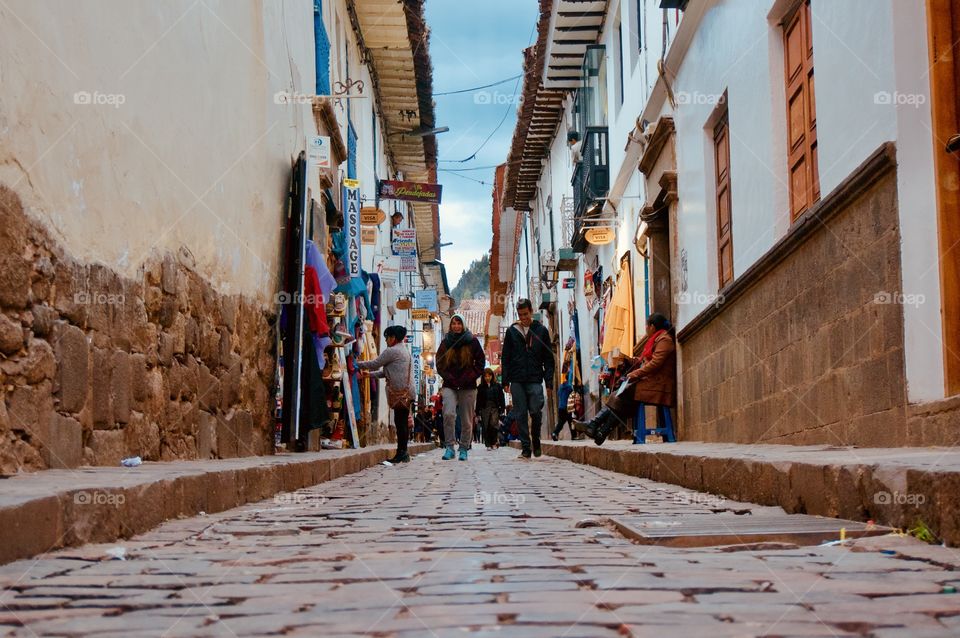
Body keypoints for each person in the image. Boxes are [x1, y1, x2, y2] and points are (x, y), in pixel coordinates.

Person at [573, 313, 677, 446]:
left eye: (646, 326)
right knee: (620, 398)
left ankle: (596, 427)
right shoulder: (656, 340)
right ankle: (599, 430)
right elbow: (644, 362)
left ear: (652, 326)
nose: (645, 329)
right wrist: (627, 359)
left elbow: (655, 364)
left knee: (621, 395)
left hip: (659, 386)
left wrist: (633, 375)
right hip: (651, 382)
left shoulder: (664, 340)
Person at [501, 299, 555, 459]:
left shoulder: (541, 331)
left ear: (531, 311)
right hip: (517, 379)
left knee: (536, 411)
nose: (523, 317)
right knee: (520, 414)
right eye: (520, 314)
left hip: (535, 378)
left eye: (526, 314)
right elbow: (506, 357)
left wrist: (549, 381)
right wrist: (505, 381)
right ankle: (526, 448)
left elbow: (548, 359)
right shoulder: (512, 332)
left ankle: (536, 440)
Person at [357, 325, 413, 463]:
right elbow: (386, 372)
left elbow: (375, 363)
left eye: (387, 337)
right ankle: (403, 453)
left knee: (400, 423)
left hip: (400, 393)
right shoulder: (403, 350)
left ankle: (402, 453)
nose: (386, 340)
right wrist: (368, 376)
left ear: (393, 338)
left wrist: (356, 364)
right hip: (406, 392)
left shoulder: (392, 351)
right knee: (402, 422)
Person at [435, 313, 485, 461]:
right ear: (450, 326)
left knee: (466, 419)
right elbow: (439, 362)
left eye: (459, 323)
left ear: (463, 325)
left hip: (468, 386)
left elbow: (480, 362)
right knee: (448, 414)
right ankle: (449, 447)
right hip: (450, 384)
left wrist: (470, 376)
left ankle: (464, 448)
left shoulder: (473, 342)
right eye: (453, 323)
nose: (456, 326)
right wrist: (449, 377)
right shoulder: (445, 343)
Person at [476, 368, 506, 450]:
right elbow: (478, 400)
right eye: (485, 376)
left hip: (494, 408)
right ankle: (488, 444)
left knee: (493, 425)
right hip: (484, 408)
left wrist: (502, 408)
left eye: (489, 376)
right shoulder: (480, 387)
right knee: (486, 426)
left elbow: (501, 397)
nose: (487, 378)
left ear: (492, 376)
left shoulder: (497, 386)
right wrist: (477, 412)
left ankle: (494, 442)